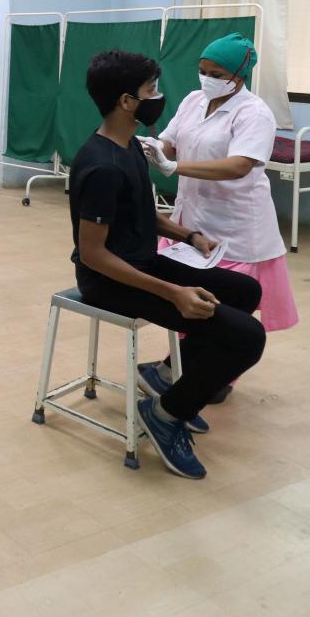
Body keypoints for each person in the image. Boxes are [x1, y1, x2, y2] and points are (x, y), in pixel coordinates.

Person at [69, 50, 266, 479]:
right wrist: (174, 293)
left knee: (246, 291)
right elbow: (93, 254)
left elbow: (141, 213)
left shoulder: (131, 148)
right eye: (151, 91)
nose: (159, 97)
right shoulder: (101, 164)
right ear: (126, 101)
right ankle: (165, 414)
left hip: (141, 261)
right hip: (108, 280)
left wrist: (189, 235)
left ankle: (166, 377)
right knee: (247, 338)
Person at [139, 33, 297, 404]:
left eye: (216, 73)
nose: (206, 78)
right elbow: (170, 139)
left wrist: (175, 167)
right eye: (202, 70)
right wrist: (152, 148)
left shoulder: (254, 113)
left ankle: (212, 376)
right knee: (193, 303)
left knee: (225, 306)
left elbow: (240, 165)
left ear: (238, 77)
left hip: (237, 226)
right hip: (194, 221)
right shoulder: (195, 101)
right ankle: (183, 371)